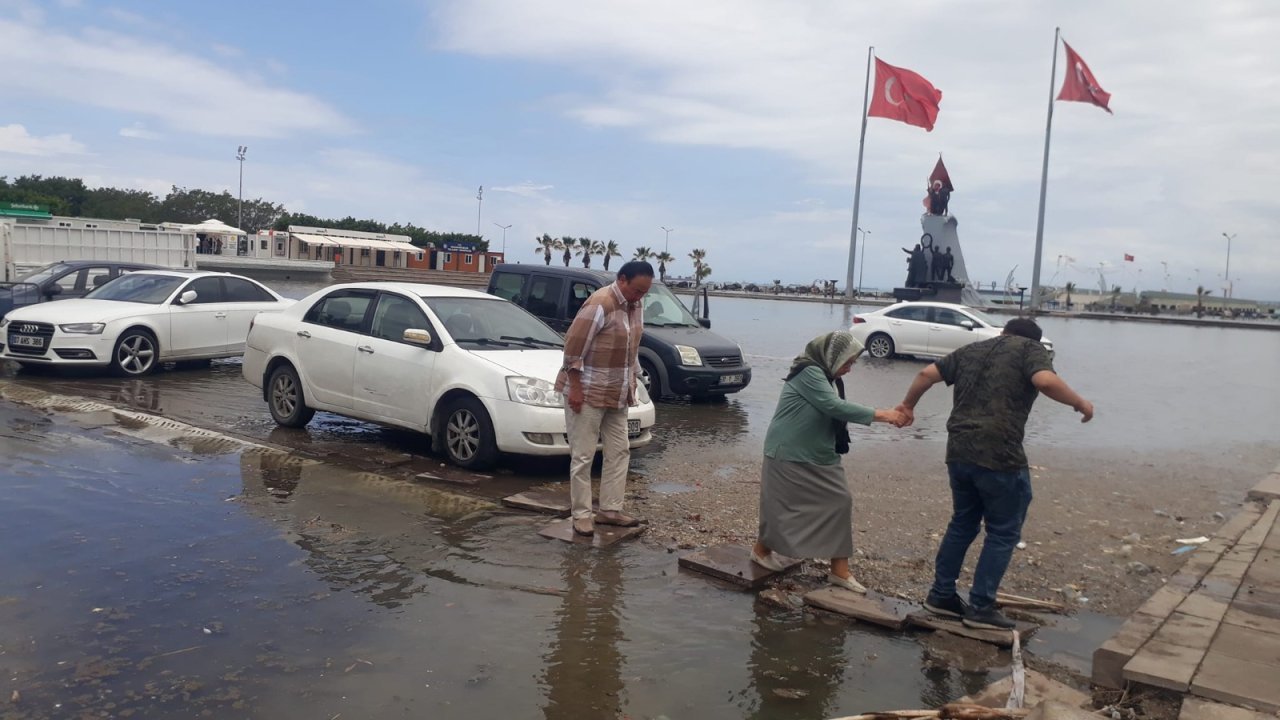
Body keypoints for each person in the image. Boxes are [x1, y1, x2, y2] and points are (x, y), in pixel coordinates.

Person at [896, 318, 1094, 630]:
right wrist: (1080, 403)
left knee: (962, 522)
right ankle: (981, 606)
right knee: (1003, 531)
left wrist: (907, 406)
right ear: (1035, 340)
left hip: (958, 450)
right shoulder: (1031, 349)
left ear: (1004, 332)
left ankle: (941, 595)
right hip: (999, 455)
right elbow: (1044, 381)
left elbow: (925, 374)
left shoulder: (972, 349)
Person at [752, 331, 907, 593]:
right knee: (781, 506)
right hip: (788, 451)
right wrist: (886, 415)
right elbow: (834, 407)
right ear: (831, 356)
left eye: (853, 362)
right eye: (848, 361)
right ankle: (761, 550)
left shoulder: (827, 376)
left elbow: (832, 408)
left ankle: (839, 571)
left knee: (839, 501)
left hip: (820, 452)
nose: (850, 368)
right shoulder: (809, 372)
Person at [555, 260, 655, 537]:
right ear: (622, 279)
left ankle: (610, 510)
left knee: (620, 450)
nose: (640, 297)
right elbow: (572, 349)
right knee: (583, 455)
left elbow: (630, 349)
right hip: (587, 391)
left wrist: (635, 380)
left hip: (618, 391)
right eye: (637, 290)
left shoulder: (635, 306)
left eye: (645, 292)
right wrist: (575, 388)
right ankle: (582, 514)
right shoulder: (600, 303)